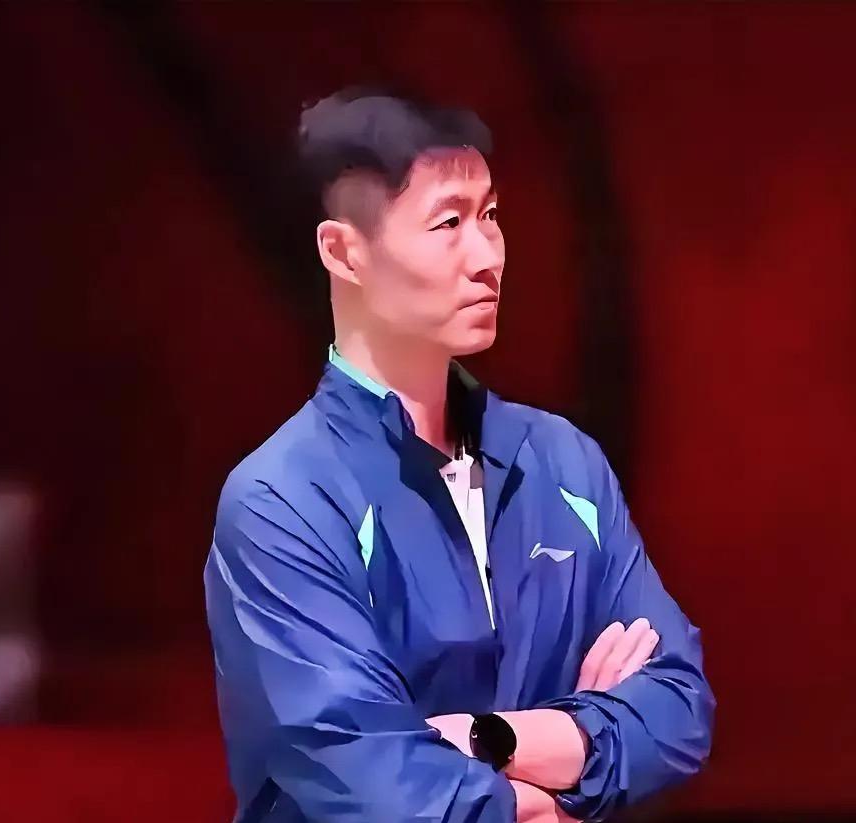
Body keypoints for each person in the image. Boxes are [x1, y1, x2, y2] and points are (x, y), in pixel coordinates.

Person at [204, 87, 714, 823]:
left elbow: (677, 707)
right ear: (344, 252)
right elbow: (377, 785)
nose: (488, 256)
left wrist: (489, 736)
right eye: (449, 222)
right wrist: (564, 790)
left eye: (492, 216)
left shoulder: (562, 461)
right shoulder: (282, 500)